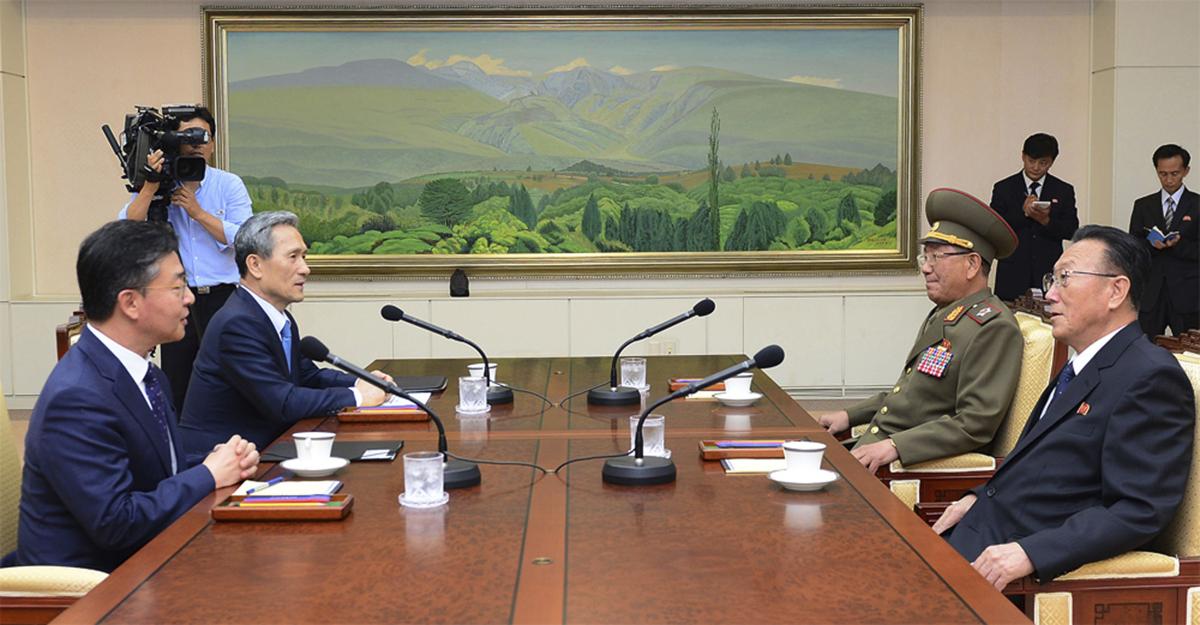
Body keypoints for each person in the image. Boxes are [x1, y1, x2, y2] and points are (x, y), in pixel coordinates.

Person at [934, 225, 1195, 590]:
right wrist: (976, 498)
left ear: (1116, 291)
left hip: (1018, 573)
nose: (1050, 295)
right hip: (979, 535)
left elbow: (1139, 509)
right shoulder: (1082, 365)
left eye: (1065, 279)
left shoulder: (1150, 377)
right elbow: (1042, 463)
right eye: (1051, 280)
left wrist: (1031, 553)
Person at [14, 221, 260, 572]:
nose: (190, 297)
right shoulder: (77, 398)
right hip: (95, 587)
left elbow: (157, 469)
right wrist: (208, 474)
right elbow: (116, 523)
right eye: (178, 286)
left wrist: (221, 460)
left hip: (153, 558)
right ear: (130, 302)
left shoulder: (147, 374)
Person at [820, 188, 1024, 472]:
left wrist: (894, 446)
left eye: (936, 257)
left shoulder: (993, 327)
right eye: (925, 258)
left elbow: (974, 424)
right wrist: (848, 415)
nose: (926, 269)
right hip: (875, 450)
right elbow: (912, 397)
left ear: (972, 264)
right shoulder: (946, 314)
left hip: (906, 464)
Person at [179, 211, 390, 454]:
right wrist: (357, 397)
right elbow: (283, 402)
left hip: (265, 450)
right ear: (255, 265)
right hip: (220, 460)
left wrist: (362, 381)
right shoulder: (237, 324)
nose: (305, 269)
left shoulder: (278, 317)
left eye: (304, 257)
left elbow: (308, 376)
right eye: (293, 257)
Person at [119, 105, 253, 413]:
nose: (195, 144)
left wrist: (197, 212)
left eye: (202, 136)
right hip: (176, 301)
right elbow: (125, 230)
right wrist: (149, 186)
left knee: (231, 382)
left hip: (223, 298)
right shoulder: (159, 183)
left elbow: (246, 239)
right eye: (187, 137)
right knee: (179, 384)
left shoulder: (228, 184)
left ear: (213, 143)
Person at [991, 133, 1080, 301]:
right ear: (1023, 156)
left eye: (1043, 163)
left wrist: (1046, 221)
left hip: (1047, 272)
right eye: (1031, 161)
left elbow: (1071, 230)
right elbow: (994, 228)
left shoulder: (1063, 190)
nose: (1036, 167)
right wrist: (1023, 213)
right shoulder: (1004, 188)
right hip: (1012, 272)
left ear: (1052, 162)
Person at [1129, 143, 1198, 336]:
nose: (1168, 180)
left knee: (1190, 349)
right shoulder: (1143, 205)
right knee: (1143, 346)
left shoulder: (1197, 205)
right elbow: (1133, 247)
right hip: (1151, 292)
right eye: (1163, 174)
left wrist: (1179, 244)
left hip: (1188, 293)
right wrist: (1151, 244)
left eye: (1174, 173)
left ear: (1186, 171)